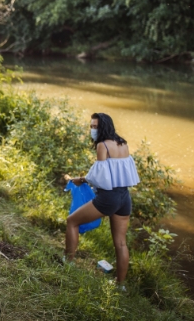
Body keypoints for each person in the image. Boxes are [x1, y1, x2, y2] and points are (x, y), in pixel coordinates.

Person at [65, 113, 140, 285]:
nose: (92, 130)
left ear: (104, 127)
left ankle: (67, 262)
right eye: (91, 126)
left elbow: (99, 178)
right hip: (124, 197)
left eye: (95, 127)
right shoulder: (123, 144)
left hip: (109, 198)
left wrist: (81, 179)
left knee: (72, 221)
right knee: (121, 243)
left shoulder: (102, 146)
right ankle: (120, 285)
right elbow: (120, 174)